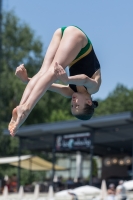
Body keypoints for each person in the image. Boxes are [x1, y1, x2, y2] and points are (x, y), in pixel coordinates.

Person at [8, 25, 101, 136]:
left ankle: (21, 107)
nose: (73, 102)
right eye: (76, 106)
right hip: (78, 38)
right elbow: (85, 79)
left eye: (72, 106)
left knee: (43, 73)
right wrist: (67, 79)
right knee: (53, 73)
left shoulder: (69, 92)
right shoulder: (94, 88)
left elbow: (46, 85)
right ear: (89, 102)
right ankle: (26, 110)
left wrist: (26, 80)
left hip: (60, 34)